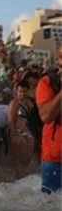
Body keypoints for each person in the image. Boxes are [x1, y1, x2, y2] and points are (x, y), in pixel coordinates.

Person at [36, 45, 62, 194]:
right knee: (51, 209)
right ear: (60, 58)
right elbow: (45, 116)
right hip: (55, 158)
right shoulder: (47, 82)